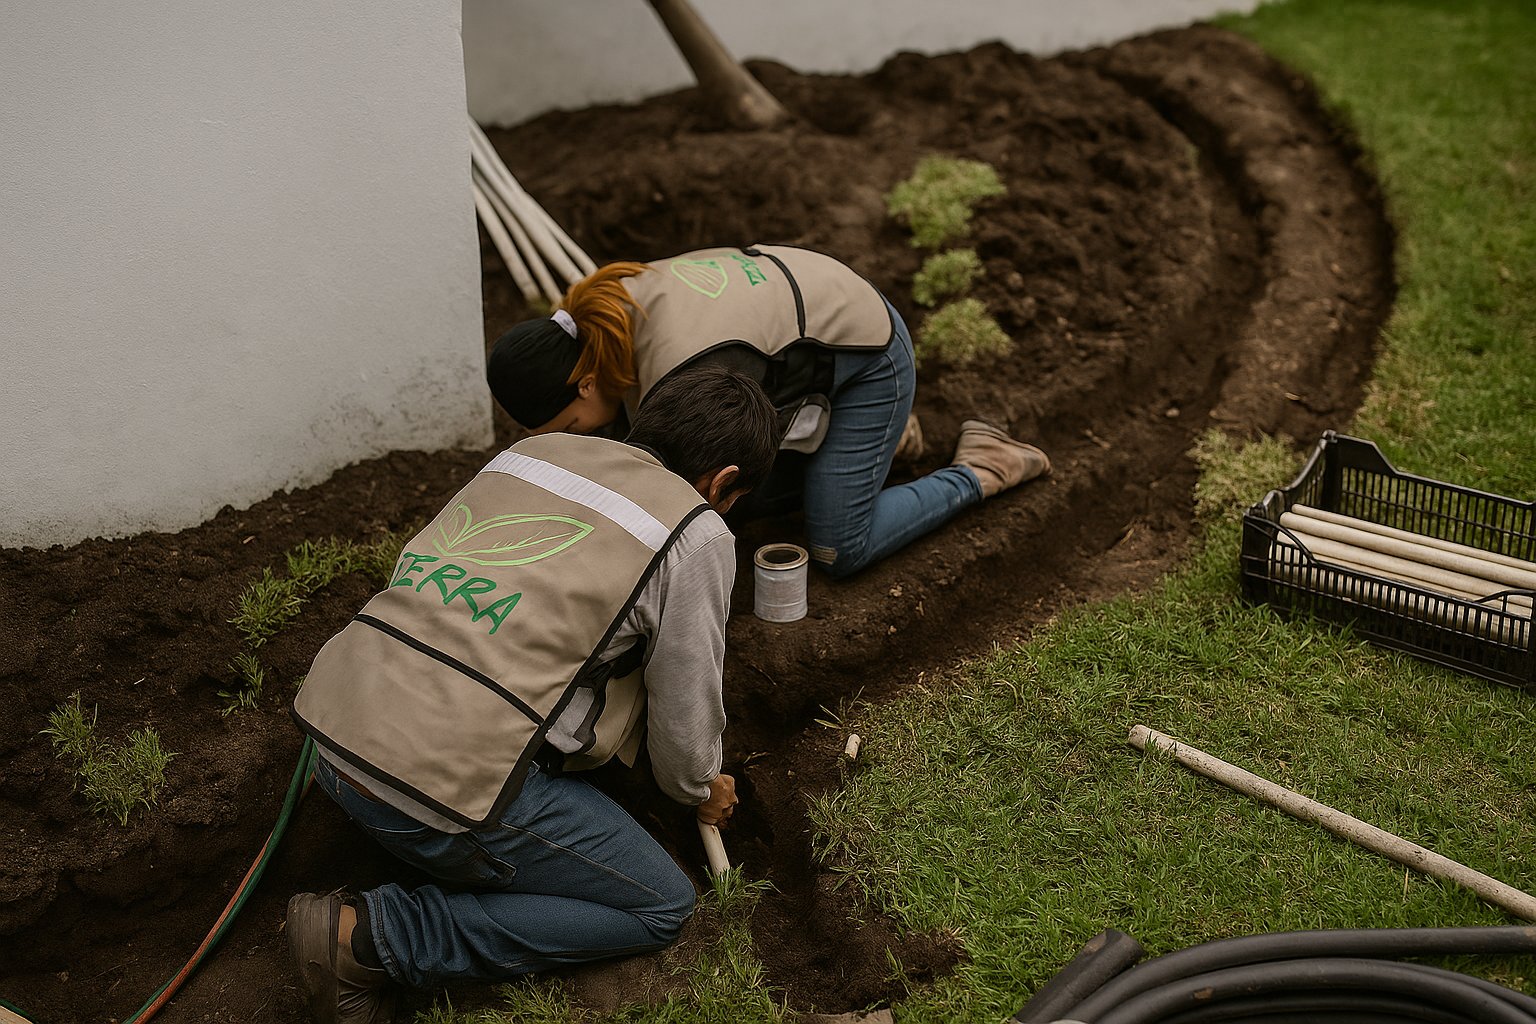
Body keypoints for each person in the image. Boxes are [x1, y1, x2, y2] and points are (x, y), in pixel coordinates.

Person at [285, 364, 780, 1024]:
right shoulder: (695, 531)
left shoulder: (532, 455)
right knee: (659, 903)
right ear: (723, 485)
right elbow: (685, 736)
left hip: (334, 739)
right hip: (434, 789)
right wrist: (699, 788)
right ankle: (372, 940)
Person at [486, 243, 1051, 580]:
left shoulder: (687, 369)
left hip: (868, 357)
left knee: (836, 547)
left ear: (585, 384)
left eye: (570, 428)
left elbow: (696, 502)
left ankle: (982, 466)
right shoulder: (606, 312)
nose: (580, 437)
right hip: (807, 330)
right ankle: (881, 441)